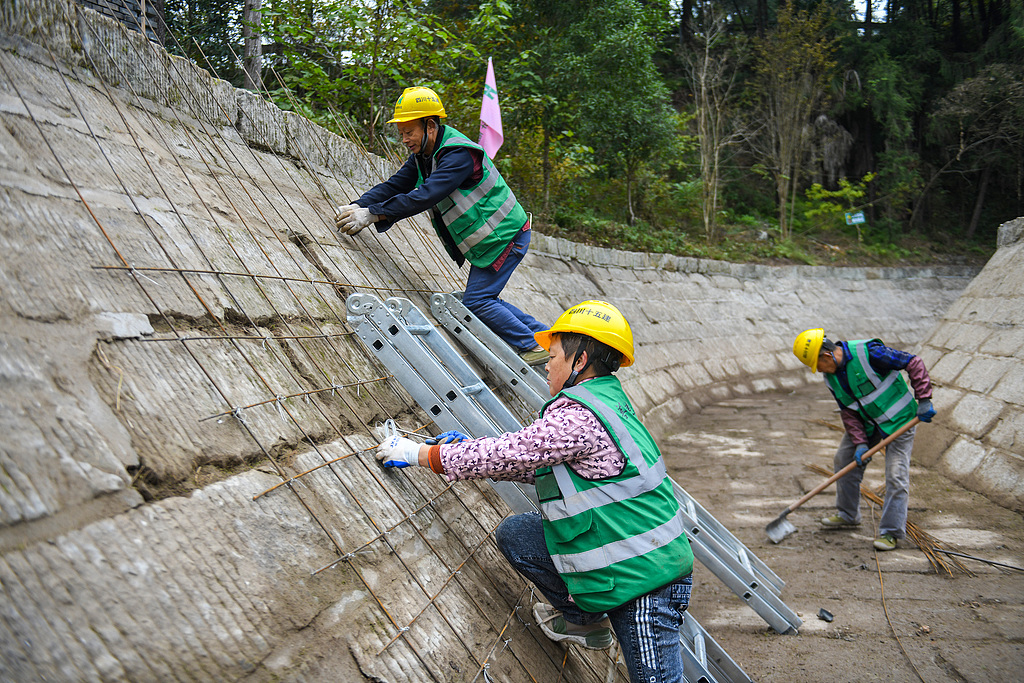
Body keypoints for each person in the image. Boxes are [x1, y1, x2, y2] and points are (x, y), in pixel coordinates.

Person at [377, 301, 695, 683]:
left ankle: (585, 618)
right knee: (520, 535)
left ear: (579, 361)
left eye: (553, 356)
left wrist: (421, 454)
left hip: (646, 580)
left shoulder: (580, 415)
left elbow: (513, 453)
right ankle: (584, 622)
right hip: (638, 554)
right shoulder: (607, 401)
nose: (546, 365)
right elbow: (548, 468)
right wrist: (464, 452)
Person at [335, 86, 548, 365]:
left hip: (505, 236)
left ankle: (531, 345)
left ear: (430, 126)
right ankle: (547, 339)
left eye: (409, 132)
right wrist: (359, 205)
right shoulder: (425, 155)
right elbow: (396, 185)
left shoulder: (458, 154)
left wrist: (373, 214)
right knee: (485, 298)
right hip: (495, 238)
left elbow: (426, 195)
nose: (404, 139)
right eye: (401, 133)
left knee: (477, 301)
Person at [792, 328, 937, 551]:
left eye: (817, 364)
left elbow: (913, 362)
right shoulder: (830, 377)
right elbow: (848, 412)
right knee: (844, 460)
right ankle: (848, 514)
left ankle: (891, 532)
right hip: (868, 423)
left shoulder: (870, 352)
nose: (818, 370)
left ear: (827, 355)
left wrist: (924, 398)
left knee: (896, 476)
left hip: (899, 421)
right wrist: (860, 442)